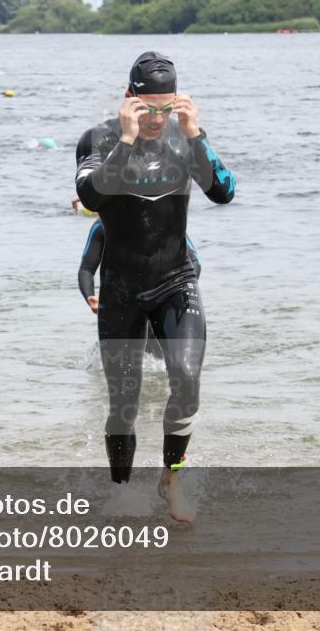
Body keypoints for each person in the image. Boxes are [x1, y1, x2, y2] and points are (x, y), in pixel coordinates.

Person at [75, 51, 236, 523]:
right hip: (122, 289)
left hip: (175, 280)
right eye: (148, 109)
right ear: (129, 100)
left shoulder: (184, 140)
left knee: (186, 379)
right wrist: (126, 141)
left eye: (166, 109)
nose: (156, 119)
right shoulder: (100, 138)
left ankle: (171, 480)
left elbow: (224, 191)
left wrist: (195, 133)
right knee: (124, 405)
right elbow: (91, 196)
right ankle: (122, 493)